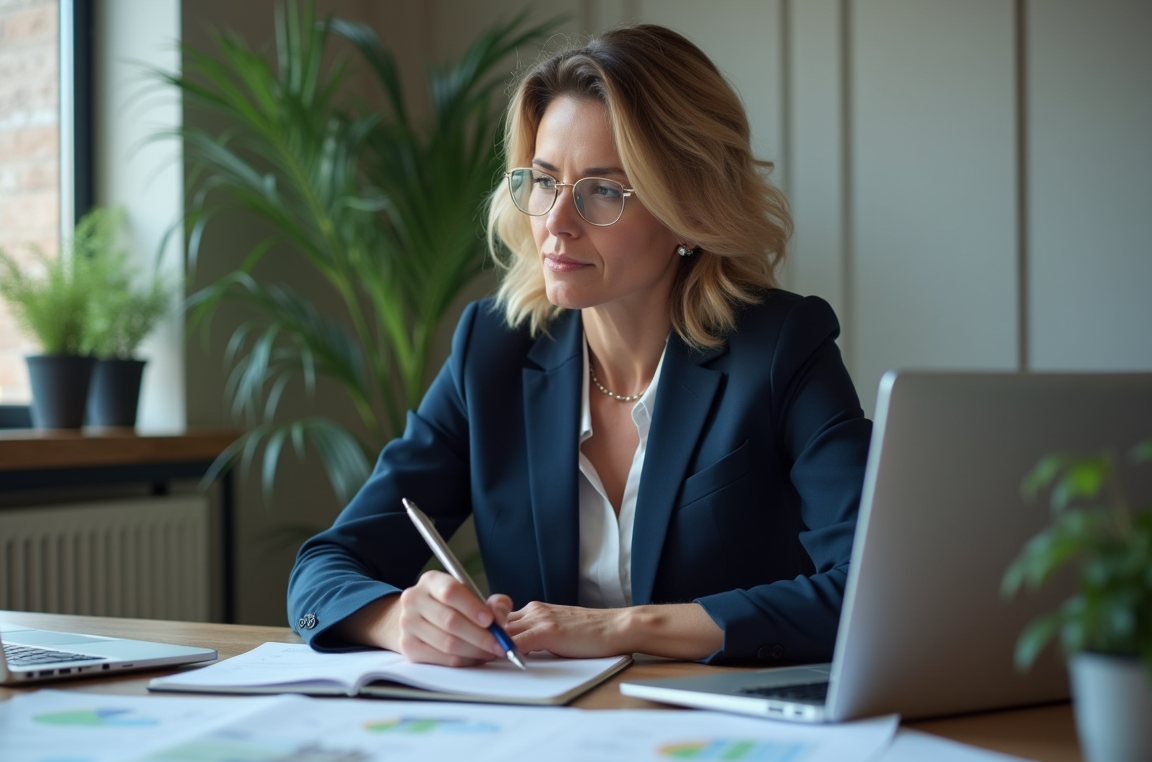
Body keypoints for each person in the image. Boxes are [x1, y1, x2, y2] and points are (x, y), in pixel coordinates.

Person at [287, 24, 871, 666]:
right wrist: (398, 618)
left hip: (723, 734)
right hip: (554, 736)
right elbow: (323, 568)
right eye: (542, 182)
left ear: (689, 209)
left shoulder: (784, 349)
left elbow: (865, 591)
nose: (555, 224)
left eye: (602, 191)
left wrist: (627, 627)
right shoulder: (494, 351)